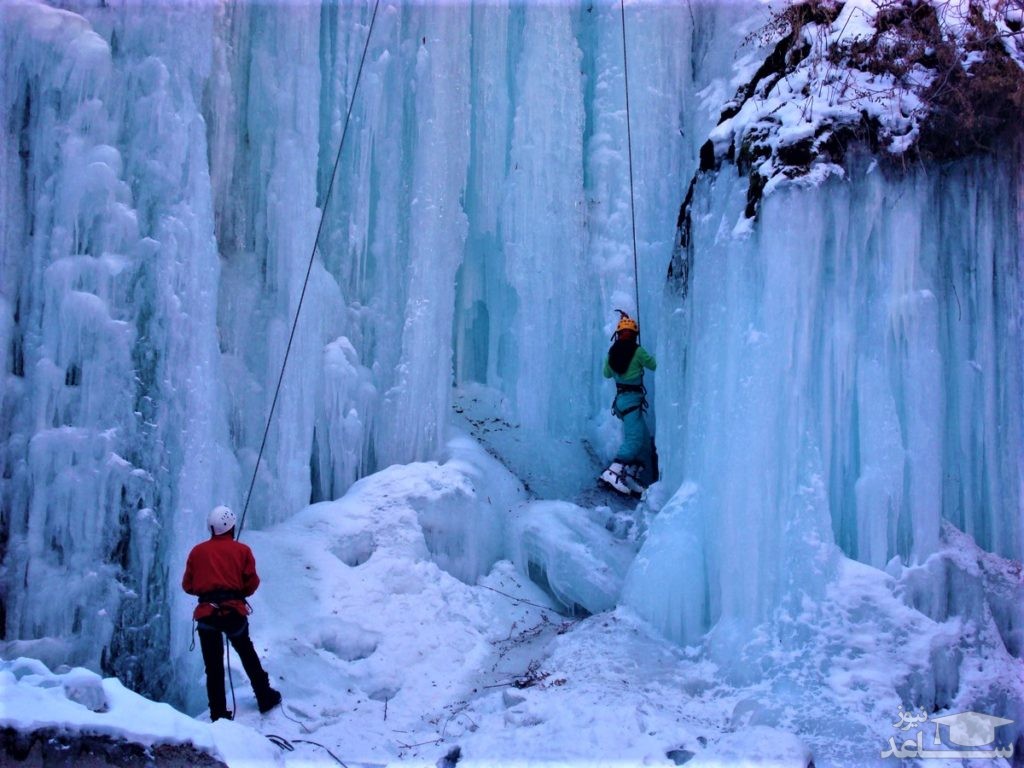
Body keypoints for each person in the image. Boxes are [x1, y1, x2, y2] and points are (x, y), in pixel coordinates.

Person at [182, 505, 281, 721]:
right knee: (247, 654)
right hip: (234, 612)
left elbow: (188, 586)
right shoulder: (242, 550)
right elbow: (252, 583)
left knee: (213, 666)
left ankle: (218, 713)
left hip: (207, 614)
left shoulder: (197, 552)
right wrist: (236, 593)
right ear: (231, 527)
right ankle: (264, 696)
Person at [600, 313, 656, 495]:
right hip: (632, 400)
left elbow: (607, 374)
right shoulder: (638, 351)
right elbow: (654, 364)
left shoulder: (611, 352)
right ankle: (613, 471)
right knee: (634, 438)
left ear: (618, 334)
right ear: (634, 334)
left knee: (644, 439)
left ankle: (631, 473)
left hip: (622, 402)